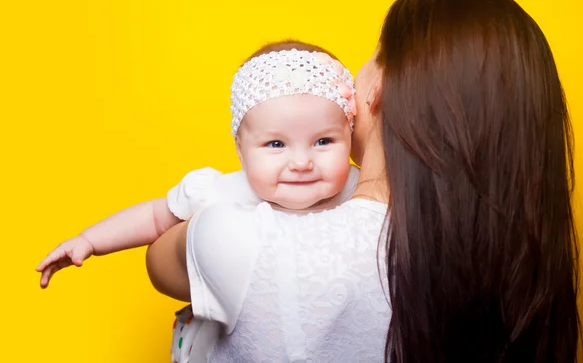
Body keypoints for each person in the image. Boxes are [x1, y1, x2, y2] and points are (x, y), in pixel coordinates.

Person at [147, 0, 582, 363]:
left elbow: (160, 260)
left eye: (374, 56)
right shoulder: (510, 274)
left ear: (381, 88)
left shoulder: (241, 239)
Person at [36, 40, 360, 362]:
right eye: (276, 144)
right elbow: (152, 218)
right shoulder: (221, 192)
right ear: (241, 149)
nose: (301, 162)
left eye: (323, 141)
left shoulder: (362, 193)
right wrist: (89, 240)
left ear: (350, 135)